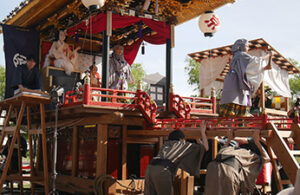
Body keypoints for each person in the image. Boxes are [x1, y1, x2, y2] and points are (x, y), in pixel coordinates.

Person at [144, 122, 209, 195]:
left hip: (150, 168)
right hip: (162, 171)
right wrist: (202, 132)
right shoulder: (181, 144)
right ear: (181, 139)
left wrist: (196, 136)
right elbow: (205, 148)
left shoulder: (166, 144)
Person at [219, 39, 273, 117]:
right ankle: (237, 116)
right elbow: (256, 61)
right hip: (235, 80)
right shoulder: (241, 54)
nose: (248, 48)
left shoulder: (238, 57)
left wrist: (270, 57)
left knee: (241, 97)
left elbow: (268, 67)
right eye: (247, 46)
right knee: (234, 100)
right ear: (242, 46)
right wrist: (268, 55)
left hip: (236, 79)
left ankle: (240, 116)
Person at [205, 131, 269, 195]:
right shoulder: (248, 152)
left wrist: (230, 138)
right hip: (226, 167)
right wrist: (231, 138)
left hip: (216, 167)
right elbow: (246, 141)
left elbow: (266, 158)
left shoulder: (254, 155)